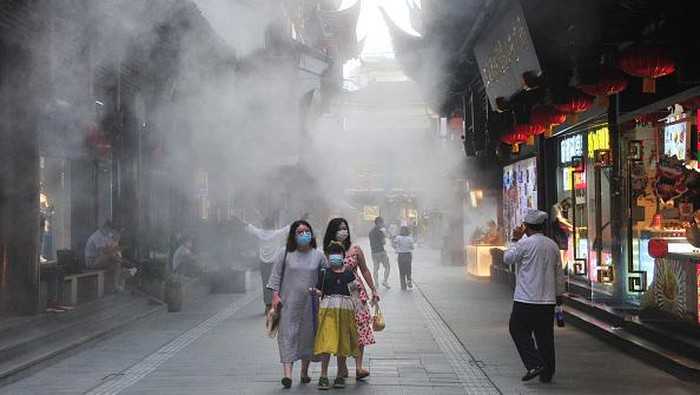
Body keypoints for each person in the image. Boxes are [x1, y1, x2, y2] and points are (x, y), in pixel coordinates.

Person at [504, 209, 565, 384]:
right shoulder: (552, 245)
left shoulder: (524, 244)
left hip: (526, 299)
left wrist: (515, 239)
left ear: (526, 227)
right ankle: (548, 372)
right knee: (545, 336)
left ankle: (534, 363)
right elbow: (558, 273)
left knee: (517, 329)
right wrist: (559, 296)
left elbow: (508, 259)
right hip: (547, 300)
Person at [267, 220, 327, 389]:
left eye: (306, 231)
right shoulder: (284, 253)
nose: (304, 234)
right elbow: (276, 276)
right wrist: (275, 296)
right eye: (299, 232)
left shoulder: (319, 255)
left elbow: (326, 277)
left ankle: (304, 372)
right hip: (288, 303)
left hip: (311, 304)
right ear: (293, 235)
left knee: (308, 336)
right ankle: (287, 375)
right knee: (287, 335)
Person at [323, 218, 379, 380]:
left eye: (345, 228)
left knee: (360, 328)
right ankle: (342, 367)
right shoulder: (328, 251)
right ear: (333, 231)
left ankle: (359, 367)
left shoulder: (356, 249)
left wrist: (373, 289)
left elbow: (365, 270)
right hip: (337, 294)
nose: (344, 231)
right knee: (341, 329)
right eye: (340, 229)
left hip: (356, 293)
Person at [311, 241, 359, 390]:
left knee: (342, 343)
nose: (334, 257)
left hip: (345, 311)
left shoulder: (349, 273)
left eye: (337, 253)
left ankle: (339, 375)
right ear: (328, 256)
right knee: (326, 341)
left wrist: (359, 306)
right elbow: (321, 291)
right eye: (332, 254)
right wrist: (315, 292)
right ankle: (323, 375)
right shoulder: (324, 272)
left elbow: (355, 293)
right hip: (328, 311)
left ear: (342, 256)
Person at [243, 216, 293, 314]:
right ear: (273, 225)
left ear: (264, 225)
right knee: (276, 284)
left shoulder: (260, 233)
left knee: (265, 284)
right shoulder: (277, 233)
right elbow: (290, 227)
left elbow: (249, 227)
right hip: (275, 263)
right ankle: (276, 304)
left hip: (263, 263)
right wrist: (302, 218)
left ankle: (268, 305)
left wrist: (238, 219)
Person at [369, 216, 391, 289]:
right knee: (387, 266)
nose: (382, 224)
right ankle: (385, 281)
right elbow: (383, 242)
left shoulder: (371, 232)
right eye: (382, 223)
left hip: (374, 252)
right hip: (381, 252)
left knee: (375, 268)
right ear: (379, 223)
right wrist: (384, 235)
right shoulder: (380, 231)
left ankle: (376, 284)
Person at [392, 226, 415, 290]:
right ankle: (409, 281)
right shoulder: (410, 238)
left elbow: (394, 244)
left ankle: (403, 285)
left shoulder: (398, 238)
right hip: (408, 255)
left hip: (401, 255)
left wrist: (397, 248)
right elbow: (412, 247)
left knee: (401, 271)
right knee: (408, 269)